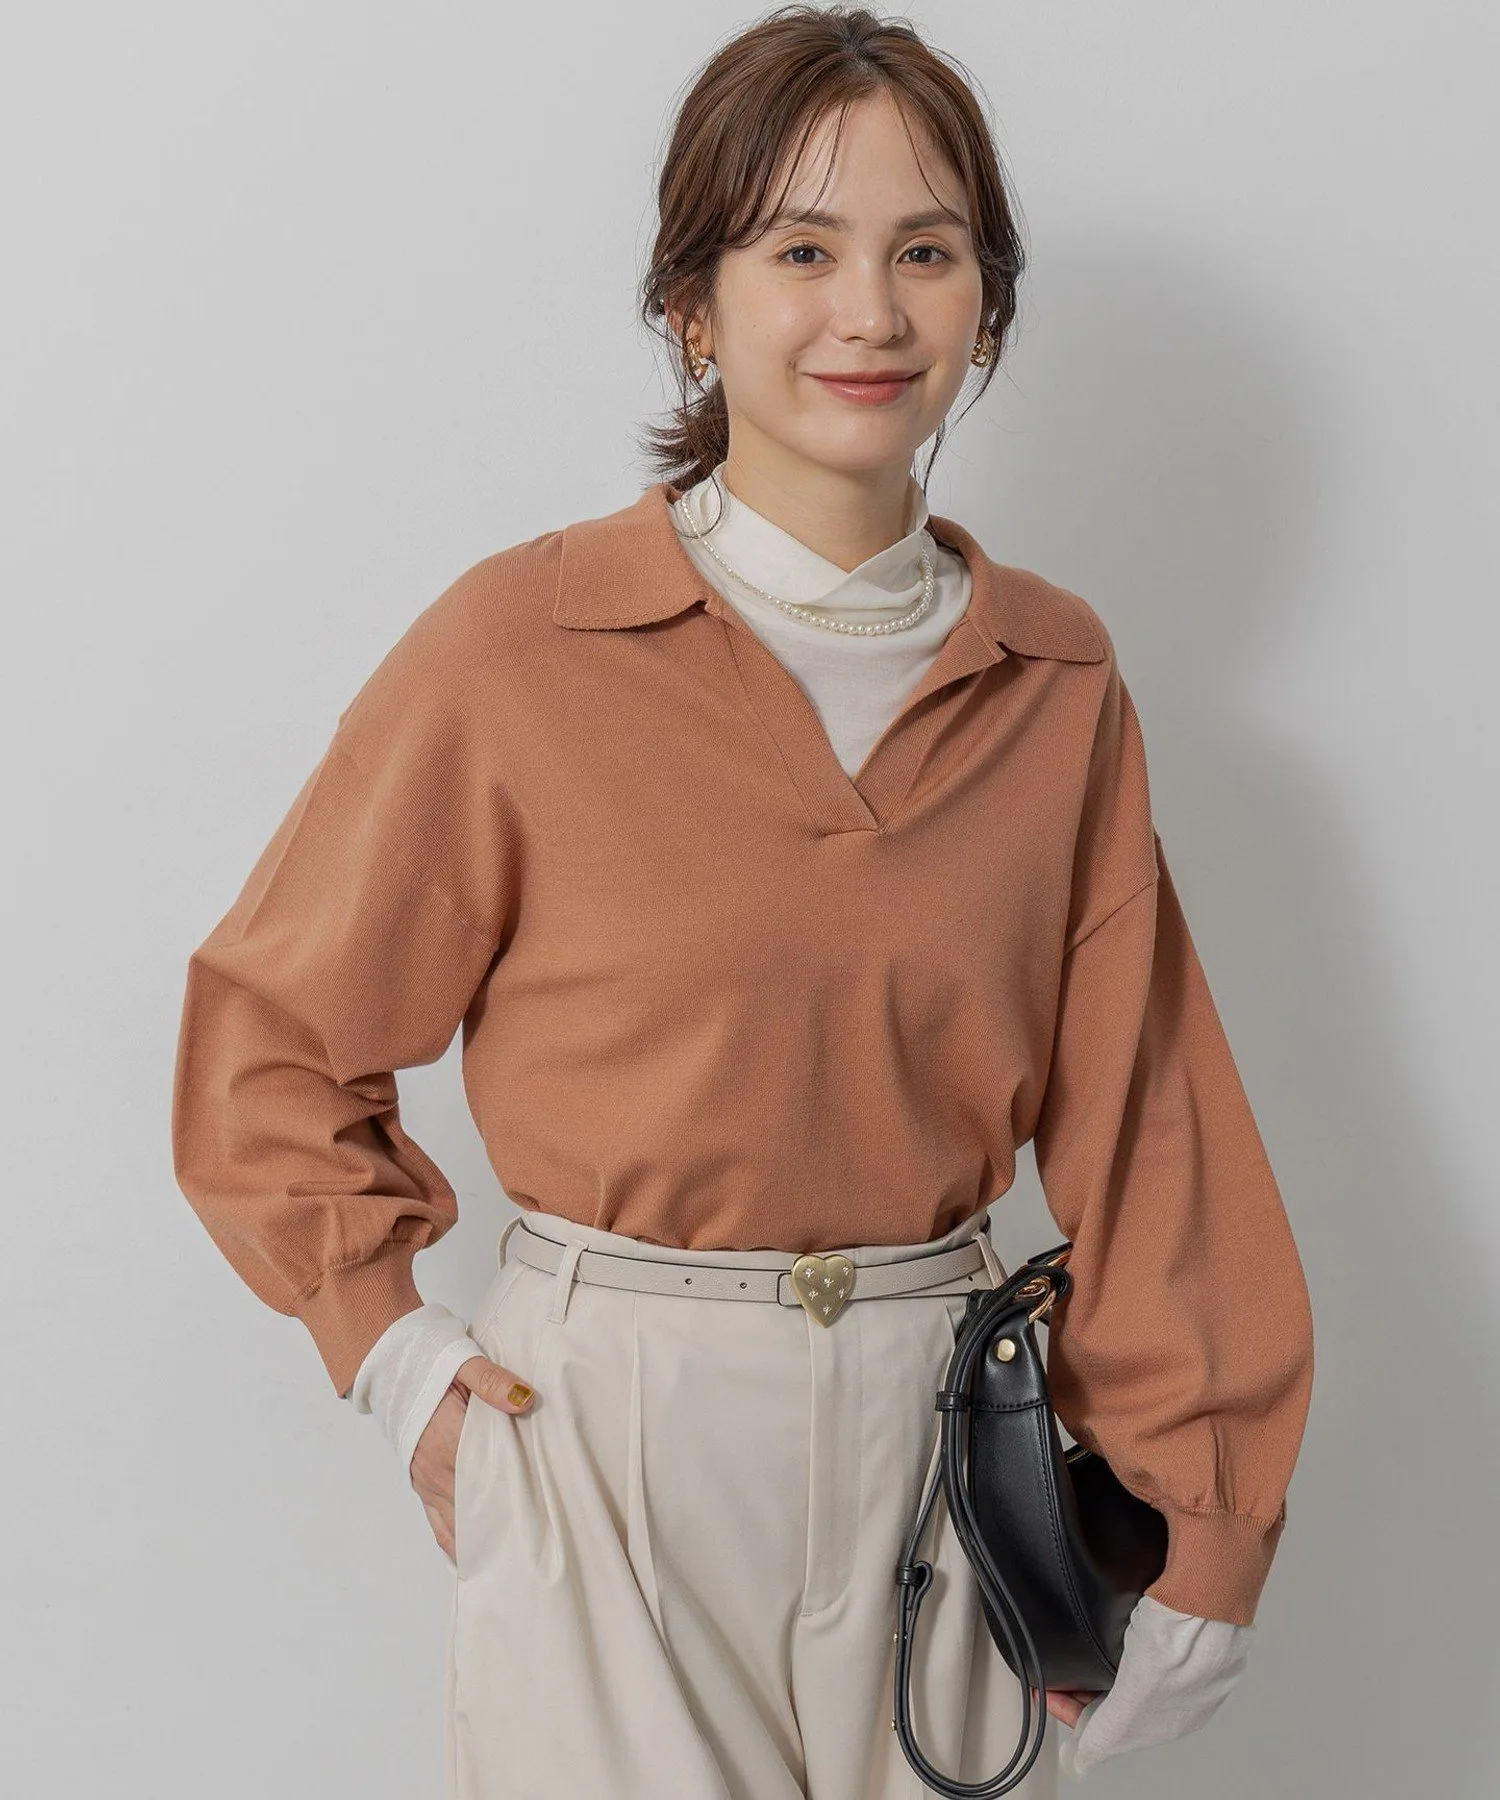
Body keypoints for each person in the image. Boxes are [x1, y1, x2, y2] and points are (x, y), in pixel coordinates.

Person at [170, 6, 1314, 1795]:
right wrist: (388, 1352)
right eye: (800, 250)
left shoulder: (1056, 680)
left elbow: (1152, 1120)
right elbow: (272, 1037)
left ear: (986, 310)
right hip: (602, 1435)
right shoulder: (522, 648)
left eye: (926, 252)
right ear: (692, 307)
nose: (870, 311)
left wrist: (1208, 1518)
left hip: (951, 1430)